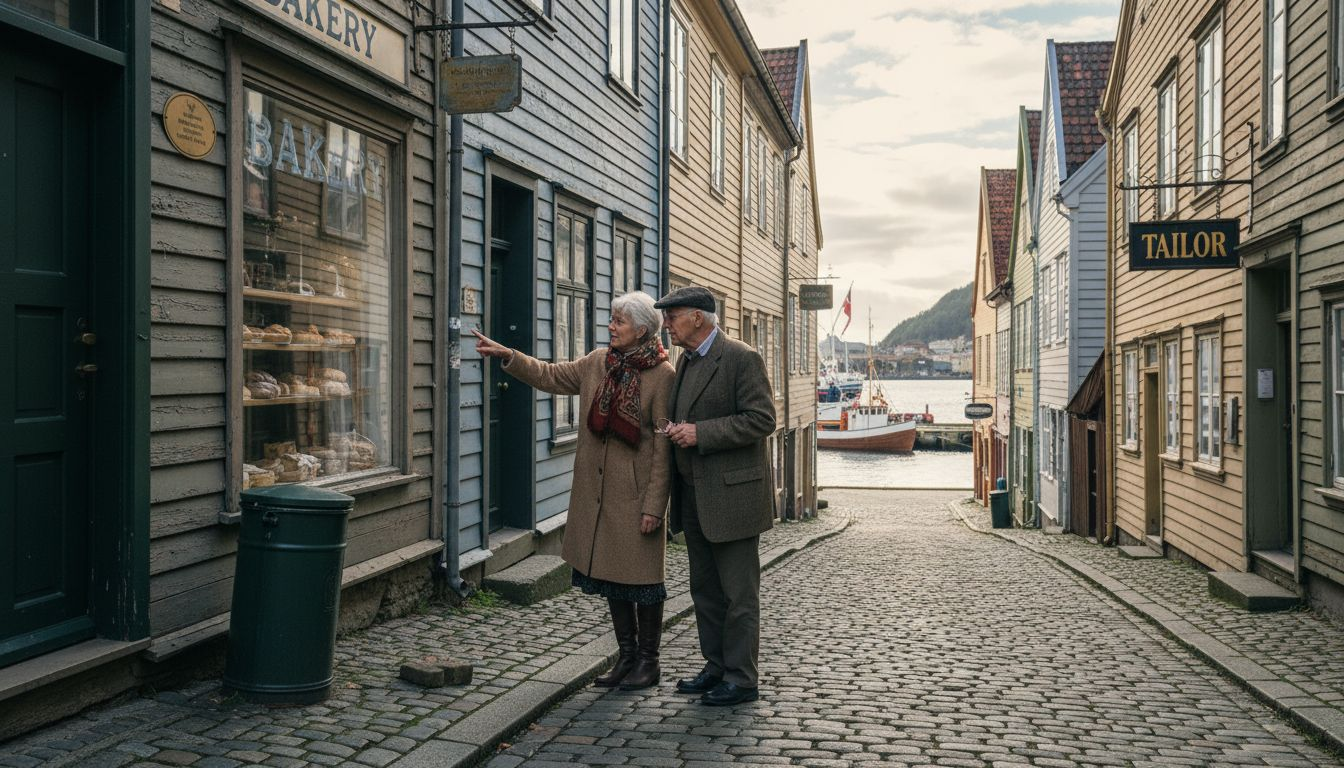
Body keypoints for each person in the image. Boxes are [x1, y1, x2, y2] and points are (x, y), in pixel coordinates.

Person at [472, 291, 674, 691]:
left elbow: (664, 447)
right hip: (598, 494)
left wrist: (655, 505)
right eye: (612, 319)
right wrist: (508, 355)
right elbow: (551, 375)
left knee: (645, 582)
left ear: (642, 330)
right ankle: (627, 658)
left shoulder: (663, 376)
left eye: (619, 321)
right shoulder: (598, 362)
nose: (611, 326)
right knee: (615, 579)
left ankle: (649, 663)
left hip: (635, 497)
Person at [655, 286, 776, 706]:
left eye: (672, 317)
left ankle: (742, 679)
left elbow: (762, 419)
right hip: (694, 498)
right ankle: (715, 667)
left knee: (738, 595)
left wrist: (699, 433)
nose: (666, 324)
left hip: (733, 499)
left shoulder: (741, 357)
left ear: (699, 318)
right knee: (704, 592)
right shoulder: (685, 360)